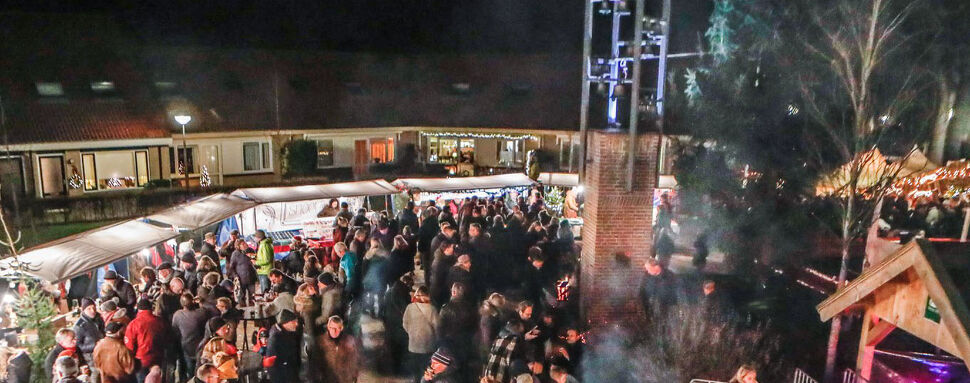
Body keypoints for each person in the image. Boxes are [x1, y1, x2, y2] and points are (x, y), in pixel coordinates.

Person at [125, 299, 167, 383]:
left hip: (141, 360)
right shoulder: (160, 321)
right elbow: (166, 339)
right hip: (158, 358)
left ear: (139, 309)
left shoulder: (133, 324)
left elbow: (129, 346)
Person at [403, 286, 438, 380]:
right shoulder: (432, 309)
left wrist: (411, 333)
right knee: (426, 370)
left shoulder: (409, 308)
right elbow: (437, 327)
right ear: (427, 295)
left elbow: (405, 324)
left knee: (415, 369)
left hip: (413, 344)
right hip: (428, 345)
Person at [172, 294, 208, 382]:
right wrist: (200, 302)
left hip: (185, 345)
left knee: (189, 370)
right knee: (200, 370)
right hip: (200, 345)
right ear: (193, 302)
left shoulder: (177, 315)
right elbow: (205, 310)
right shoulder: (200, 313)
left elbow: (175, 330)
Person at [317, 316, 359, 383]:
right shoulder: (320, 342)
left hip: (344, 379)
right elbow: (316, 365)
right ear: (328, 327)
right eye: (331, 328)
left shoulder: (349, 341)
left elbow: (354, 361)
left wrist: (354, 377)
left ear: (341, 328)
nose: (334, 331)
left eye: (336, 328)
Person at [73, 298, 104, 383]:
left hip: (103, 354)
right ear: (83, 310)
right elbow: (78, 346)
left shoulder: (98, 318)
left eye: (93, 307)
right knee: (96, 377)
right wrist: (94, 345)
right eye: (89, 308)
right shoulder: (79, 326)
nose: (92, 310)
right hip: (91, 359)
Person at [266, 310, 301, 383]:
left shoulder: (289, 332)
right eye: (293, 322)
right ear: (285, 323)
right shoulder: (275, 339)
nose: (296, 324)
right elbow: (272, 364)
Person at [226, 239, 257, 306]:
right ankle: (243, 310)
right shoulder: (235, 254)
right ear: (238, 246)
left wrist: (252, 257)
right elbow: (231, 267)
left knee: (252, 296)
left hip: (251, 276)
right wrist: (235, 276)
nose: (245, 244)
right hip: (241, 278)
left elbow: (256, 260)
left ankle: (253, 309)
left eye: (245, 243)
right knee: (241, 297)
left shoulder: (251, 250)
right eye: (242, 244)